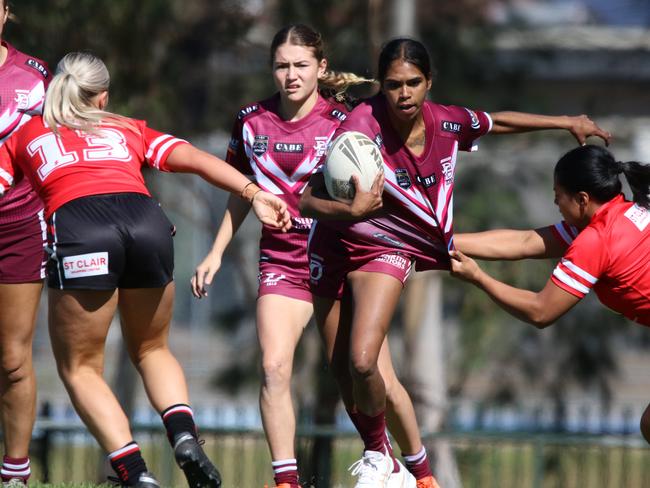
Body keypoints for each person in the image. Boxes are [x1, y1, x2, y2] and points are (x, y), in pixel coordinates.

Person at [299, 37, 611, 488]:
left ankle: (381, 457)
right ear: (381, 86)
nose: (403, 94)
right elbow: (306, 199)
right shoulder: (359, 126)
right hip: (333, 242)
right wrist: (347, 210)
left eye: (413, 83)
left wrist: (563, 121)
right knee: (345, 370)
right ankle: (405, 470)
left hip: (387, 248)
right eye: (392, 85)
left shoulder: (446, 121)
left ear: (429, 82)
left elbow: (496, 121)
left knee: (364, 362)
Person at [0, 52, 291, 488]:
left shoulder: (25, 135)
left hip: (82, 228)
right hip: (147, 222)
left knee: (79, 367)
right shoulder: (127, 127)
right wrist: (253, 192)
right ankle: (185, 437)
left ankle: (136, 475)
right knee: (153, 349)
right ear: (102, 97)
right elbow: (192, 157)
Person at [191, 24, 434, 488]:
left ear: (321, 68)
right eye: (281, 65)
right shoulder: (250, 121)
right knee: (273, 367)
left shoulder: (348, 121)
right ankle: (287, 481)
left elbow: (375, 190)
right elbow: (240, 193)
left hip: (341, 259)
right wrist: (216, 252)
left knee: (372, 374)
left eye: (301, 65)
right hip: (281, 263)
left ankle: (420, 474)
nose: (290, 75)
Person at [449, 144, 650, 440]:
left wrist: (479, 277)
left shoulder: (595, 241)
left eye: (558, 195)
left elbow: (541, 311)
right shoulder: (621, 211)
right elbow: (525, 242)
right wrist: (442, 241)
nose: (555, 202)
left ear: (582, 199)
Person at [0, 1, 50, 484]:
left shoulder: (35, 76)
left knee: (13, 361)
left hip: (18, 226)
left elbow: (56, 144)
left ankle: (14, 474)